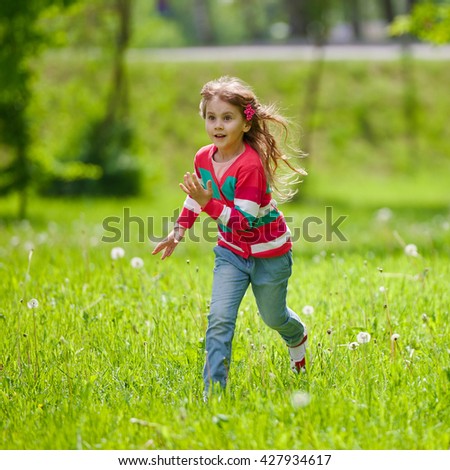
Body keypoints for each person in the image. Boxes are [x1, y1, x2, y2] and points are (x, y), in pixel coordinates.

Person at [152, 76, 308, 395]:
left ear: (245, 124)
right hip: (231, 254)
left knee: (274, 317)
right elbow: (196, 195)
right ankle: (215, 395)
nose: (218, 126)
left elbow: (243, 221)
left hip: (270, 256)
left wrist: (207, 202)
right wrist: (178, 231)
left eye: (227, 118)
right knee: (220, 318)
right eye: (211, 117)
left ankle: (297, 338)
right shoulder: (202, 158)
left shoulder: (250, 166)